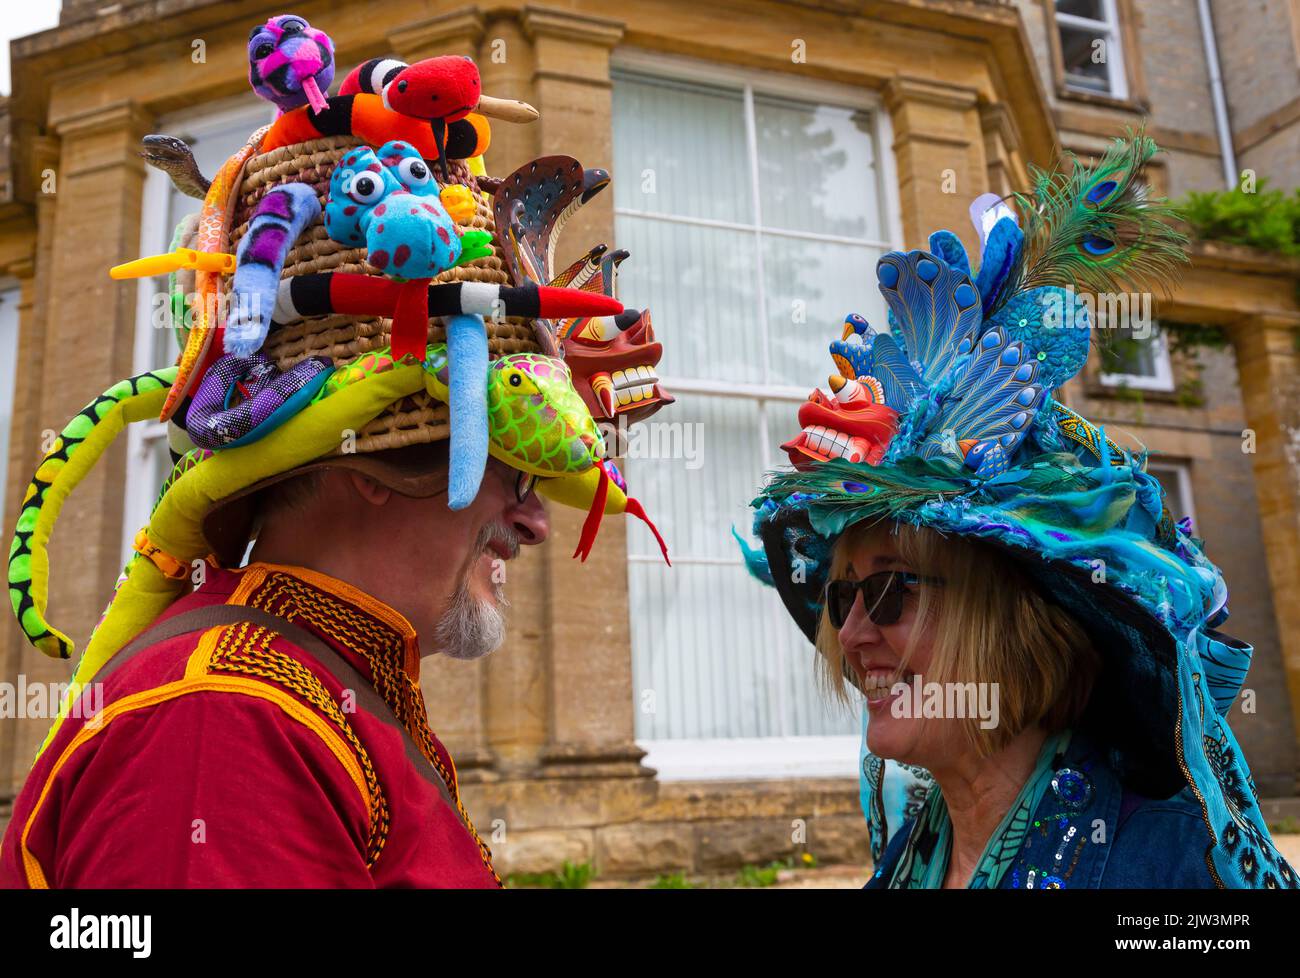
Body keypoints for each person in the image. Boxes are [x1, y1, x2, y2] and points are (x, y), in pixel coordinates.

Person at [0, 39, 670, 888]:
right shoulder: (222, 720)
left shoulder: (326, 680)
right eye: (512, 468)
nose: (538, 521)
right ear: (369, 454)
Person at [737, 133, 1297, 889]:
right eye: (841, 595)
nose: (853, 633)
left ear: (1021, 621)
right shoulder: (913, 856)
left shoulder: (1173, 871)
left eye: (892, 588)